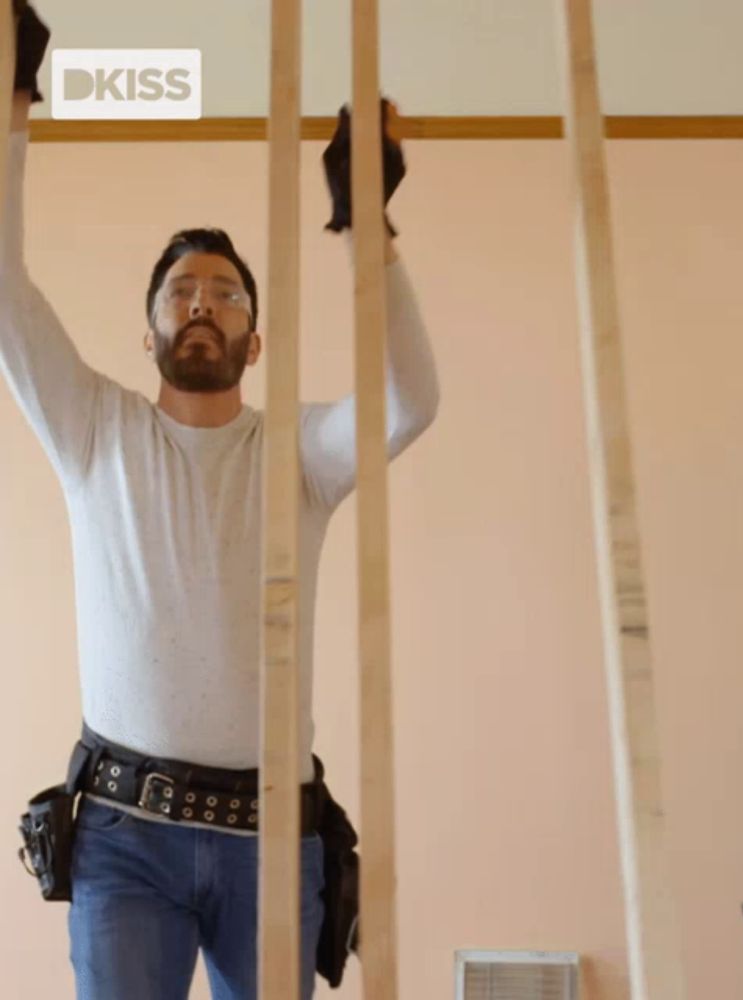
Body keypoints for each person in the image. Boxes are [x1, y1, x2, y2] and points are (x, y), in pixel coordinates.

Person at [0, 5, 439, 999]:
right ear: (148, 333)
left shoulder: (299, 453)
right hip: (125, 834)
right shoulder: (94, 429)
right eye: (181, 292)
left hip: (272, 837)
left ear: (255, 341)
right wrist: (15, 107)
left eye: (228, 293)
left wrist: (366, 225)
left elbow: (412, 400)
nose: (203, 302)